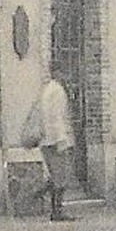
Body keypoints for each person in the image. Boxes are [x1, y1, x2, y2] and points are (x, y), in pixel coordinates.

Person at [26, 71, 76, 221]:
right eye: (66, 75)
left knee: (57, 175)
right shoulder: (58, 91)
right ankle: (55, 210)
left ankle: (40, 194)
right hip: (55, 140)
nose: (69, 77)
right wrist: (62, 140)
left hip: (46, 140)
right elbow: (56, 117)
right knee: (62, 176)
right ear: (60, 74)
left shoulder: (47, 89)